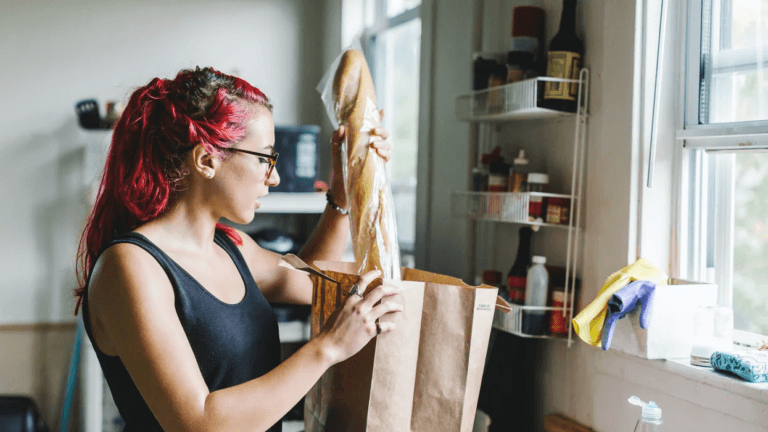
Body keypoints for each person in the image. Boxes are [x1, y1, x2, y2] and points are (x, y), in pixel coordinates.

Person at [74, 66, 403, 432]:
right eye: (265, 158)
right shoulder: (130, 266)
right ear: (207, 160)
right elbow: (197, 423)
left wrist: (341, 192)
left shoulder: (231, 247)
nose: (274, 177)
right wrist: (328, 348)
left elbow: (313, 281)